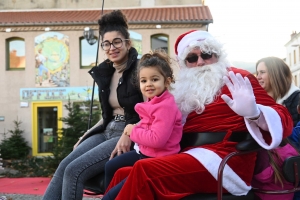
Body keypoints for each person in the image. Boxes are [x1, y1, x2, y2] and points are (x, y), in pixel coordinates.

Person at [104, 30, 293, 199]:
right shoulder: (183, 88)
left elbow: (284, 119)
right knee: (122, 172)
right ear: (185, 64)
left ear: (217, 55)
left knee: (144, 171)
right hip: (188, 153)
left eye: (207, 54)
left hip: (224, 161)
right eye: (192, 59)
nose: (201, 62)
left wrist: (255, 113)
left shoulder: (238, 77)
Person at [42, 10, 144, 200]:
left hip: (129, 133)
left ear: (128, 43)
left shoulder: (141, 70)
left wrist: (129, 133)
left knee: (74, 171)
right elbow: (108, 115)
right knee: (64, 164)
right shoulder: (106, 73)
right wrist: (86, 135)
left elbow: (152, 112)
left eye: (117, 42)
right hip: (106, 130)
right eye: (106, 43)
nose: (111, 47)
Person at [103, 50, 182, 199]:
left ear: (167, 81)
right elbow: (146, 125)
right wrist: (134, 128)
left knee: (114, 194)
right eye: (144, 80)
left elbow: (157, 140)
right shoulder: (154, 102)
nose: (148, 84)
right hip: (146, 153)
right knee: (111, 166)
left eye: (154, 79)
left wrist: (131, 130)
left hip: (158, 159)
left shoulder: (165, 106)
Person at [256, 57, 300, 127]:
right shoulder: (258, 102)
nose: (258, 77)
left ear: (276, 74)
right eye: (257, 73)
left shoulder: (297, 98)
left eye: (262, 72)